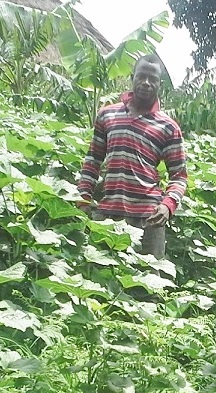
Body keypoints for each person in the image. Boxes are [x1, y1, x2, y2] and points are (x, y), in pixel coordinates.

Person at [77, 53, 188, 259]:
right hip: (107, 215)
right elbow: (92, 162)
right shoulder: (107, 115)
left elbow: (179, 176)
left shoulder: (168, 127)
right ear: (133, 78)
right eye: (141, 76)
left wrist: (168, 205)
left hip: (149, 218)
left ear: (159, 84)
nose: (146, 83)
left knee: (149, 284)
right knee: (102, 282)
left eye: (153, 79)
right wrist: (84, 197)